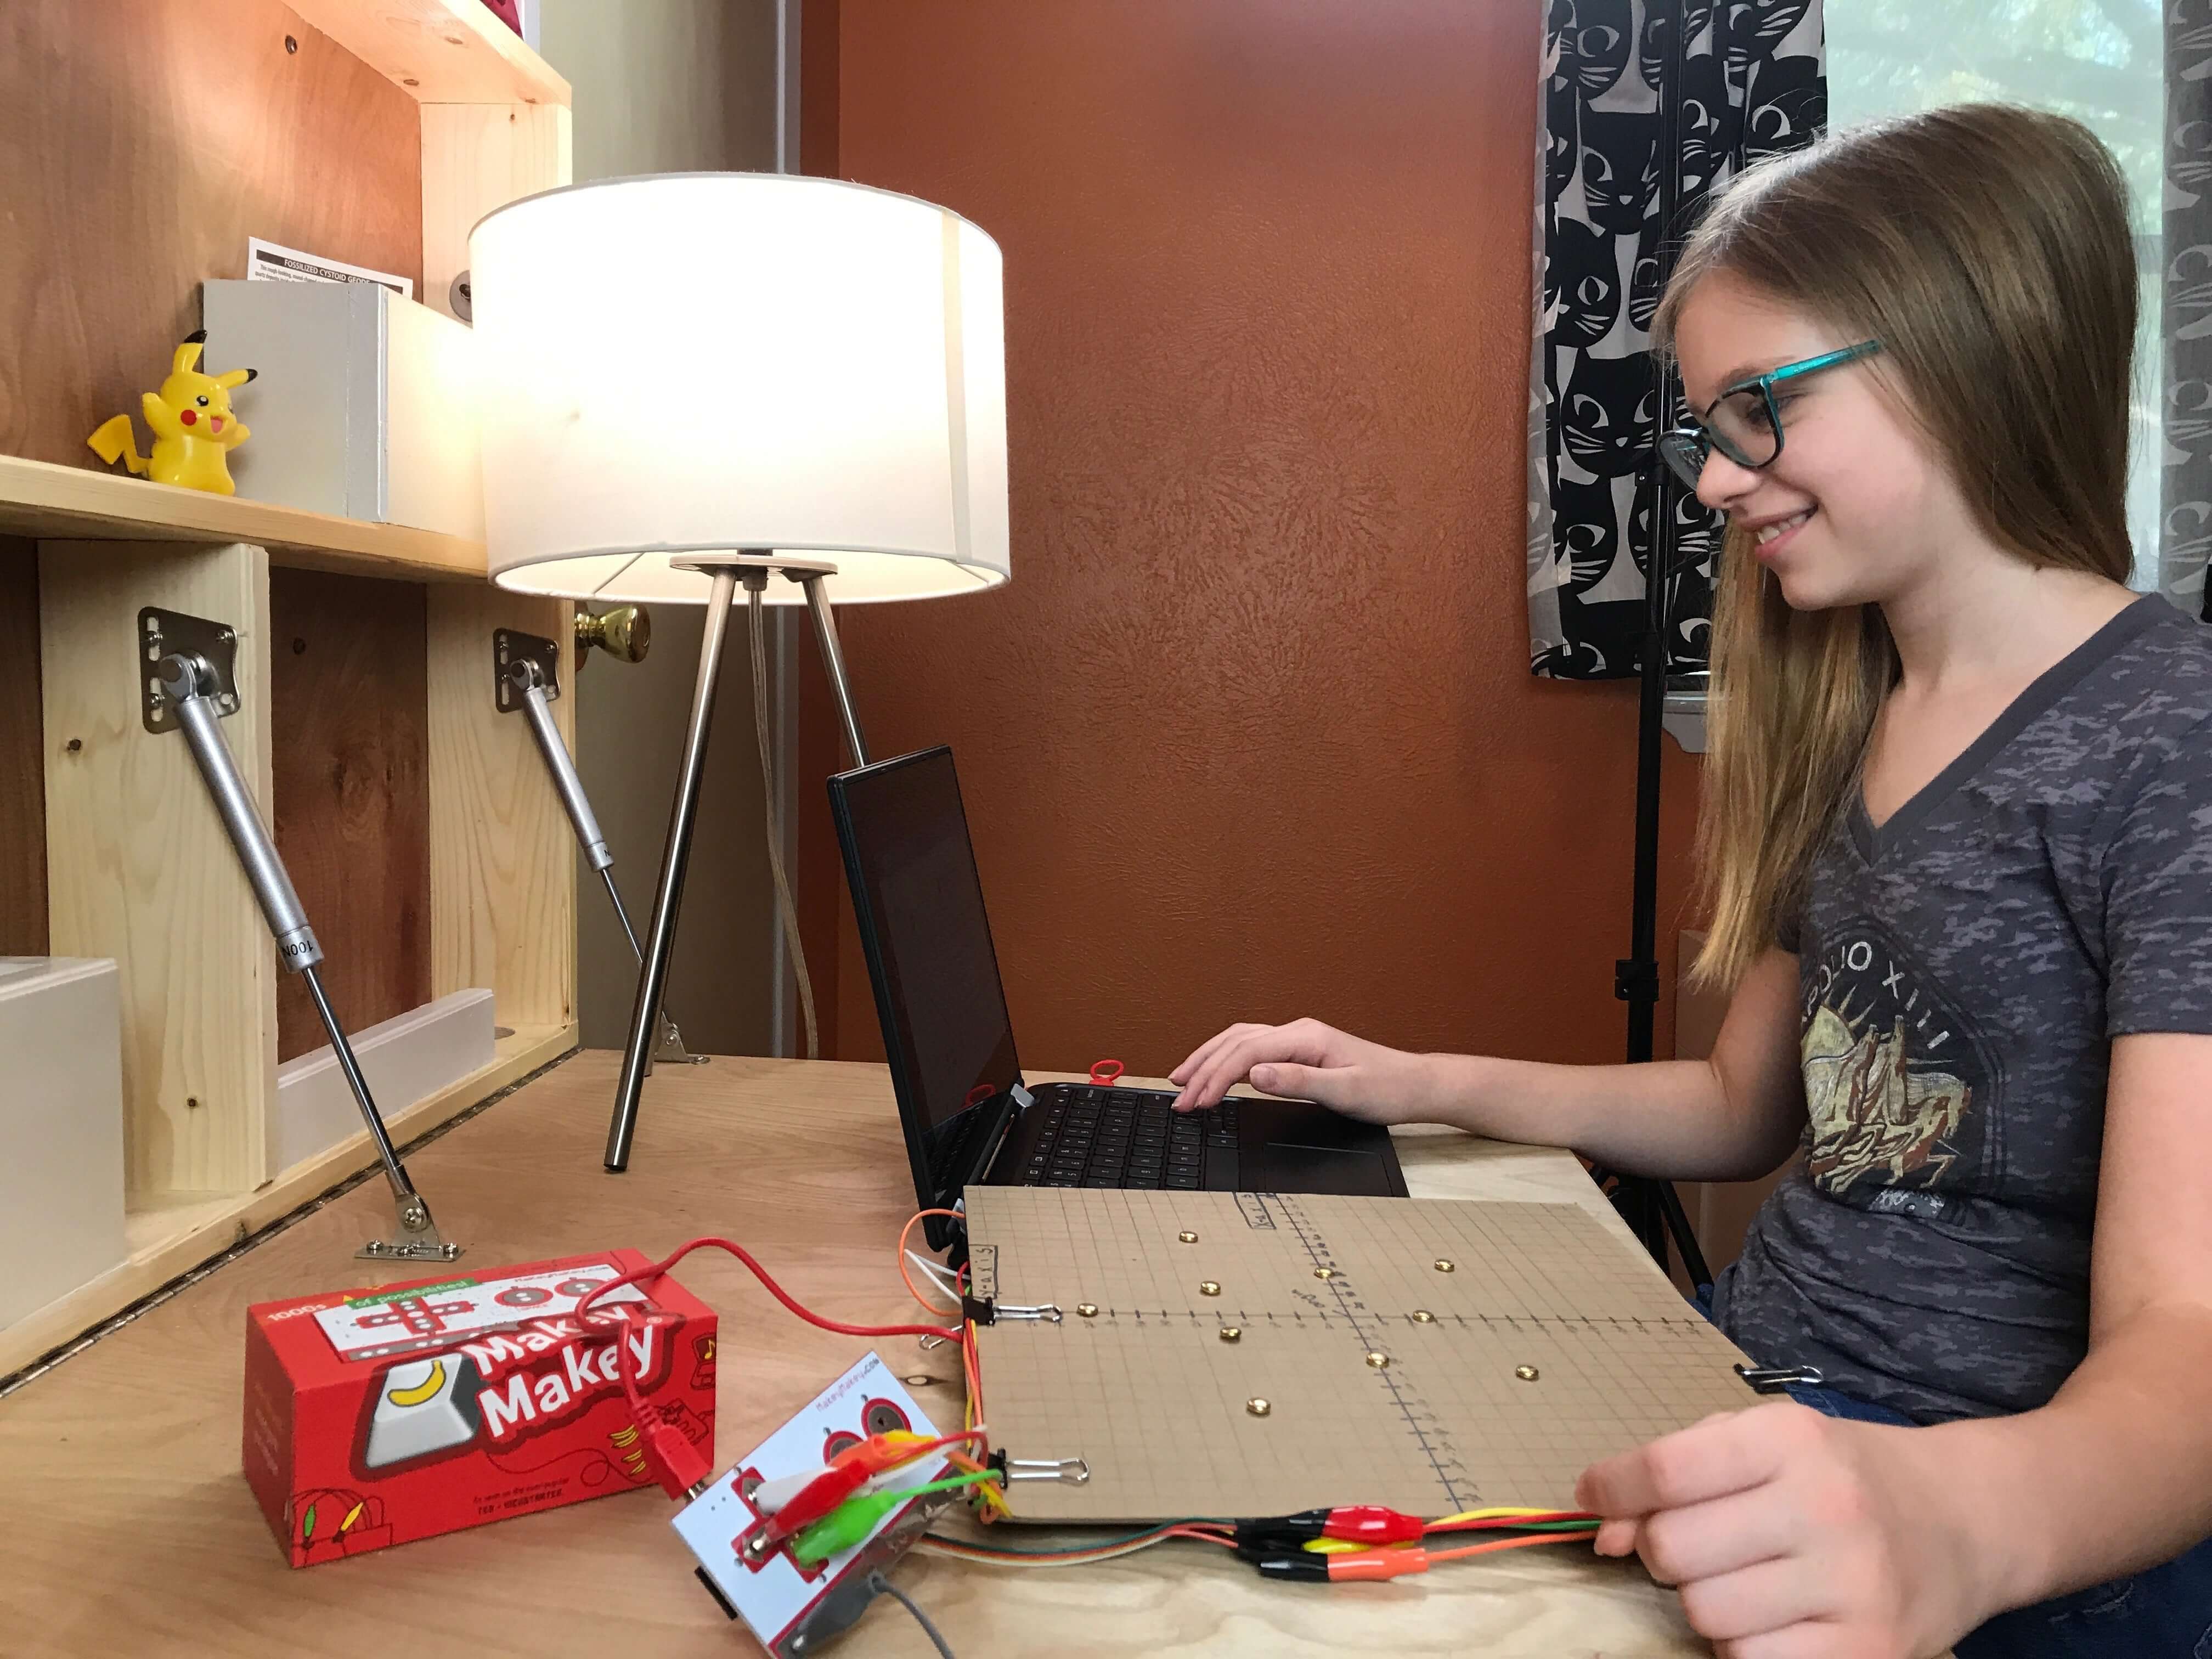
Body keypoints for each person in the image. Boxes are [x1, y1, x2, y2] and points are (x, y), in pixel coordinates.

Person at [1170, 103, 2212, 1659]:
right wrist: (1410, 1082)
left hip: (1991, 1527)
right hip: (1746, 1374)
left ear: (1968, 352)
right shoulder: (1847, 709)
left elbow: (2187, 1342)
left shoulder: (2171, 736)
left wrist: (1953, 1525)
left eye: (1759, 410)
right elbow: (1743, 1107)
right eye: (1707, 429)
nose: (1717, 481)